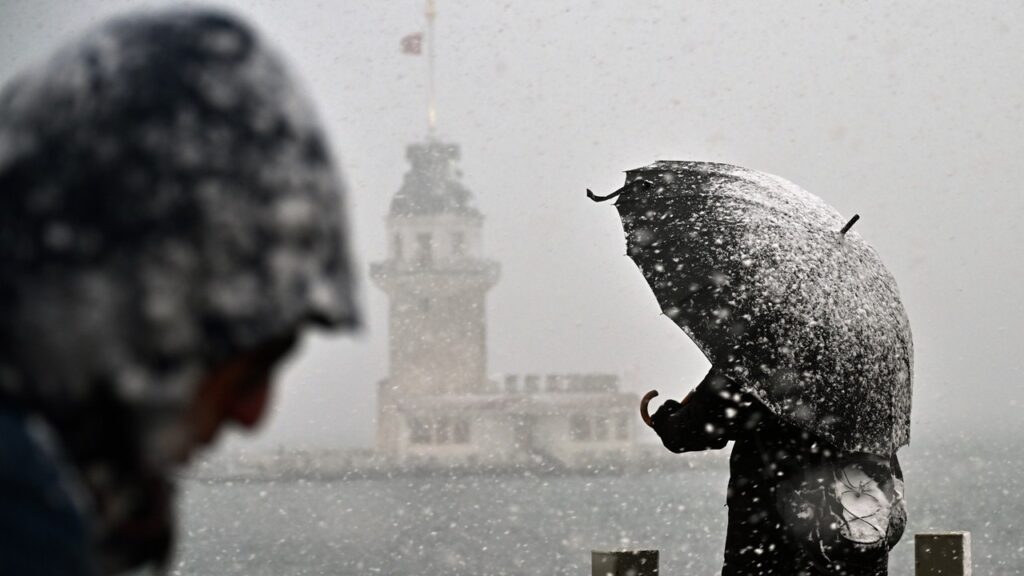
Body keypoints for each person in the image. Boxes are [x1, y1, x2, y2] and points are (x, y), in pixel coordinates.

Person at [0, 8, 357, 575]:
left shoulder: (52, 506)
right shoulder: (23, 526)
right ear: (125, 315)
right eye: (244, 359)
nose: (254, 414)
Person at [650, 368, 905, 576]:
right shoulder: (871, 370)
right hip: (853, 549)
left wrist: (666, 418)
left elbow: (692, 429)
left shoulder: (762, 354)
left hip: (771, 545)